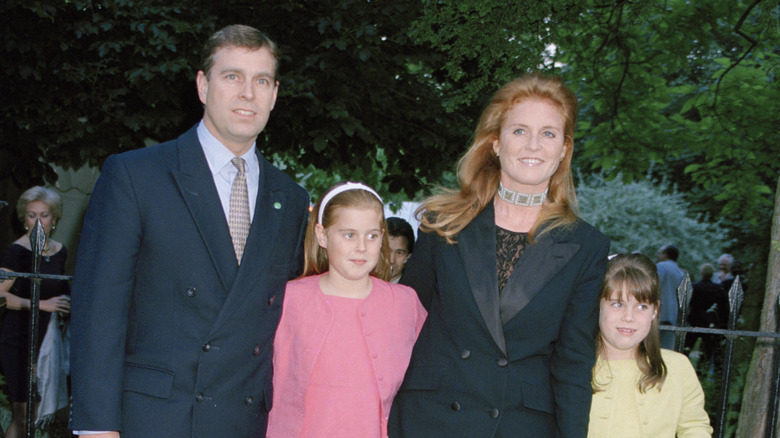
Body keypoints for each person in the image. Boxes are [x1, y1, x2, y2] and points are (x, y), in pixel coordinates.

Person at [69, 25, 310, 438]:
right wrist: (96, 428)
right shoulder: (135, 176)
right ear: (203, 85)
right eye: (232, 76)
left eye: (261, 80)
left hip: (244, 422)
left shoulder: (289, 198)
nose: (247, 93)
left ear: (274, 94)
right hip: (154, 421)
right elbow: (99, 312)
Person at [389, 73, 610, 437]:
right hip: (431, 419)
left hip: (517, 426)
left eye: (549, 134)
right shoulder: (443, 223)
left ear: (564, 149)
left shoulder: (586, 246)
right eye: (519, 131)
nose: (533, 145)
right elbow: (403, 323)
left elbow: (573, 361)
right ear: (495, 142)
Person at [267, 182, 426, 437]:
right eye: (349, 235)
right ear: (322, 235)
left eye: (372, 235)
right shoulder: (289, 300)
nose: (362, 247)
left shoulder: (405, 304)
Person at [588, 253, 712, 437]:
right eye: (617, 304)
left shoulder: (677, 368)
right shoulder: (571, 366)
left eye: (641, 307)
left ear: (655, 311)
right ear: (597, 305)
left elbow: (695, 427)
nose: (628, 317)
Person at [0, 186, 71, 438]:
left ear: (54, 218)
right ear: (23, 219)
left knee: (37, 411)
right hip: (19, 339)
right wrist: (42, 304)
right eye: (31, 215)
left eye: (44, 215)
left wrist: (65, 301)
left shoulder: (60, 250)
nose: (37, 221)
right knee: (23, 416)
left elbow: (60, 288)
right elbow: (0, 295)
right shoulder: (17, 252)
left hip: (48, 340)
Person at [685, 263, 728, 363]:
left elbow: (688, 302)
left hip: (694, 319)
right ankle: (702, 370)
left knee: (687, 346)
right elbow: (722, 305)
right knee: (707, 348)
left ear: (701, 273)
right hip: (708, 320)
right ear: (712, 274)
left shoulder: (694, 286)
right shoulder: (717, 288)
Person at [655, 244, 685, 349]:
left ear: (666, 254)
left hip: (659, 312)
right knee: (666, 349)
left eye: (660, 252)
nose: (657, 255)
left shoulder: (661, 267)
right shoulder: (680, 272)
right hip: (673, 315)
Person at [386, 217, 414, 284]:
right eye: (387, 251)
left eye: (399, 253)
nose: (391, 260)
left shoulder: (412, 291)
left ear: (408, 256)